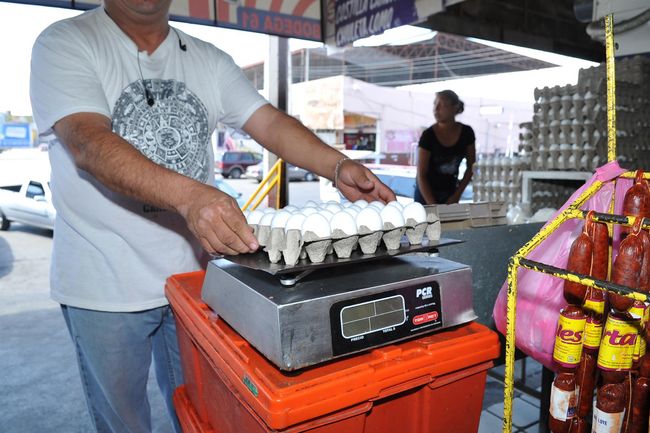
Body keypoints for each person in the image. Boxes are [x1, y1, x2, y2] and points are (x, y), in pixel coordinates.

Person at [29, 2, 396, 433]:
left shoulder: (207, 58)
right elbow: (88, 143)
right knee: (122, 422)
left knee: (202, 414)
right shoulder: (66, 41)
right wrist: (190, 198)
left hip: (192, 280)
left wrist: (336, 166)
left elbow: (269, 123)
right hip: (102, 283)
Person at [414, 90, 476, 205]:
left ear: (455, 107)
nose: (436, 109)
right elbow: (421, 174)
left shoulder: (466, 133)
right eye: (435, 104)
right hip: (425, 195)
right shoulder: (428, 135)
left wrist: (457, 195)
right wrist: (433, 205)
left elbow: (471, 167)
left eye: (442, 105)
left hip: (450, 193)